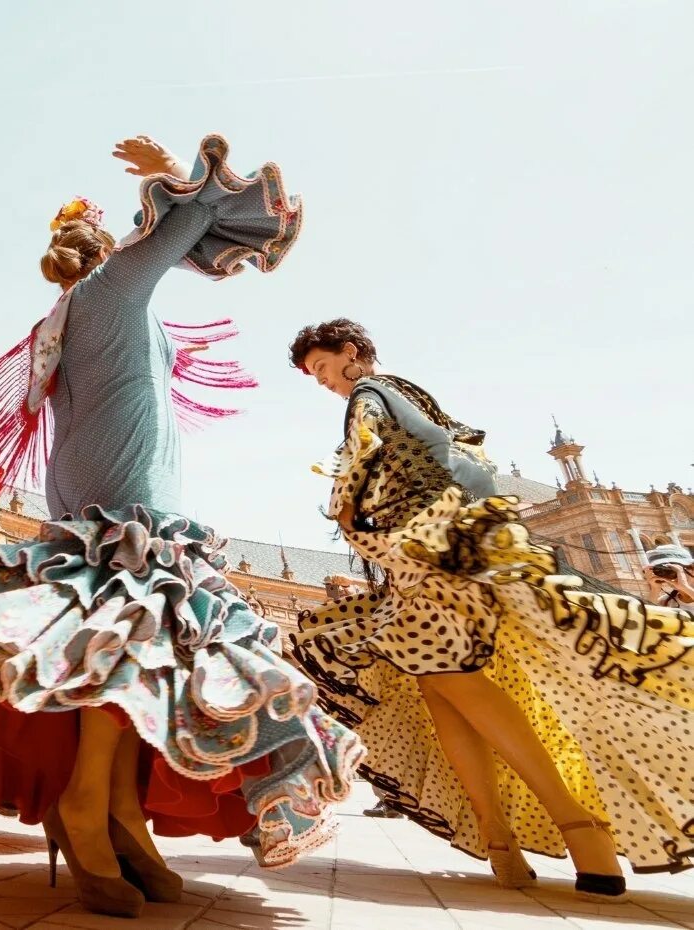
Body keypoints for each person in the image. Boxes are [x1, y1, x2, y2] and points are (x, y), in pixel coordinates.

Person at [0, 135, 362, 918]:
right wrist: (167, 176)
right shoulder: (116, 290)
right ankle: (90, 804)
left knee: (127, 642)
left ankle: (115, 810)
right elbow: (191, 221)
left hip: (102, 479)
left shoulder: (65, 314)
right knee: (133, 634)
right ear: (106, 249)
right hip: (127, 485)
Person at [288, 318, 694, 902]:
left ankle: (579, 827)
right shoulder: (410, 391)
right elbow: (459, 453)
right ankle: (497, 836)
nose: (323, 382)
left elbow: (369, 462)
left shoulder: (369, 396)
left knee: (459, 686)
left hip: (421, 561)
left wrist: (348, 513)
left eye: (323, 368)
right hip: (444, 556)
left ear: (350, 353)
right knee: (442, 692)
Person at [645, 544, 694, 608]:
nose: (670, 574)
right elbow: (646, 615)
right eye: (666, 571)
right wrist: (655, 589)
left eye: (675, 570)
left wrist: (686, 588)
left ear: (692, 569)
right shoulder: (666, 602)